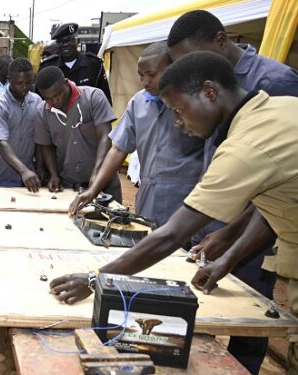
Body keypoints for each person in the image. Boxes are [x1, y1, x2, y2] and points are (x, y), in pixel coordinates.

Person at [48, 51, 298, 375]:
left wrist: (96, 279)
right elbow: (278, 202)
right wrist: (230, 258)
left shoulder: (246, 146)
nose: (178, 122)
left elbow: (170, 236)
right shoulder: (277, 109)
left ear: (210, 92)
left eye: (179, 110)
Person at [167, 11, 298, 372]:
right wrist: (226, 248)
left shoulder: (275, 82)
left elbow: (276, 184)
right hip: (237, 216)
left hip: (261, 229)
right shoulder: (218, 98)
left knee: (251, 308)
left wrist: (229, 235)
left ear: (220, 40)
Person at [68, 42, 204, 230]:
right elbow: (118, 148)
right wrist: (93, 190)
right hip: (149, 196)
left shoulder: (194, 102)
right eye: (141, 76)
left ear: (172, 69)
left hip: (188, 198)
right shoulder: (138, 102)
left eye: (152, 75)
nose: (145, 82)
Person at [34, 67, 120, 202]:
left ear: (66, 82)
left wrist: (97, 173)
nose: (54, 101)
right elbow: (46, 146)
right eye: (48, 98)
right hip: (68, 185)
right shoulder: (42, 112)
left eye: (58, 95)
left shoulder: (93, 97)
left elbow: (105, 136)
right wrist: (53, 174)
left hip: (104, 183)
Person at [0, 58, 41, 190]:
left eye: (28, 82)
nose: (25, 87)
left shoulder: (37, 102)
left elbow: (40, 139)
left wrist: (40, 168)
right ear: (9, 79)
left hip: (26, 179)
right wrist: (23, 171)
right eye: (19, 83)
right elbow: (1, 142)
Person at [40, 23, 111, 104]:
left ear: (78, 41)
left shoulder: (93, 64)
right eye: (61, 42)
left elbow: (105, 98)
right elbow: (41, 100)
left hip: (88, 115)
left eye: (69, 40)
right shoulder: (47, 67)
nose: (65, 45)